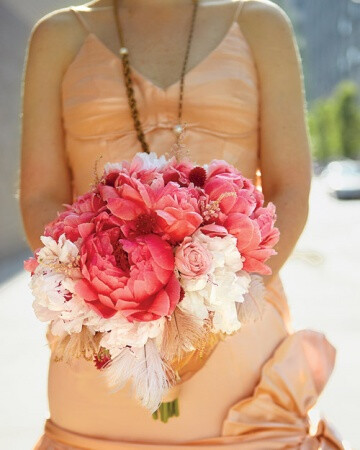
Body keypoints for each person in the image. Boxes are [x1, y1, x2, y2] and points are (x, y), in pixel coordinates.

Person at [20, 0, 348, 448]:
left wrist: (215, 312)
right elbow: (40, 198)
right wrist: (106, 304)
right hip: (97, 337)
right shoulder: (57, 35)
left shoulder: (259, 24)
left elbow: (290, 190)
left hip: (237, 332)